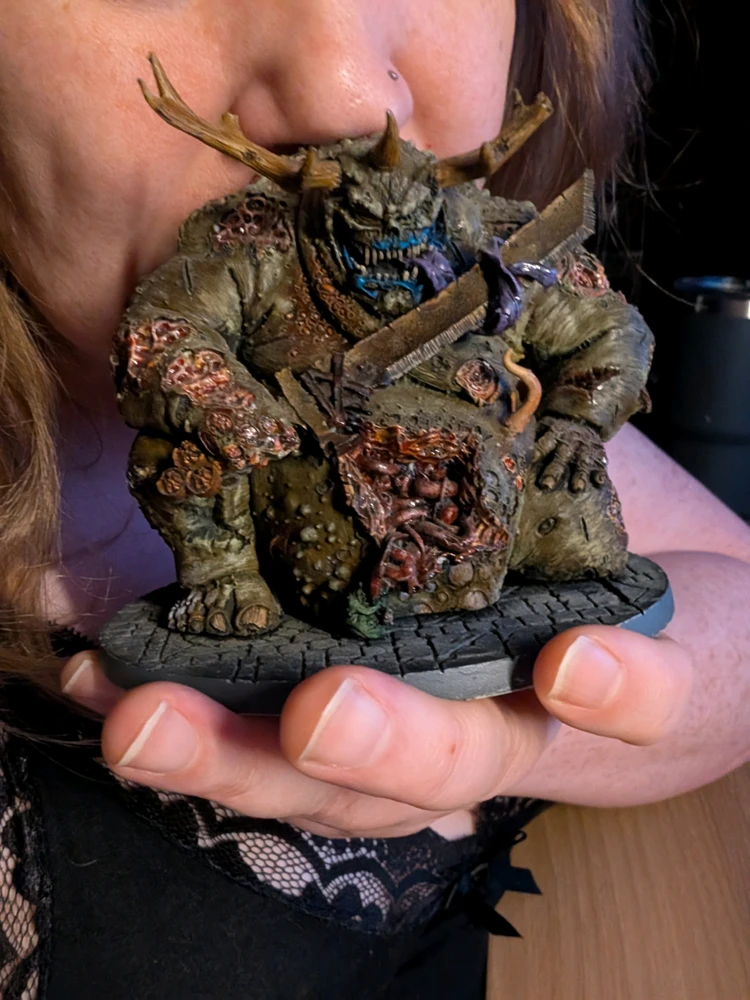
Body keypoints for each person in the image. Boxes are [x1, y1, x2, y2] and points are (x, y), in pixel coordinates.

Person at [0, 2, 747, 998]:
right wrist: (234, 411)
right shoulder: (242, 259)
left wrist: (563, 719)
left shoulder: (480, 251)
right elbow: (172, 338)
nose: (345, 94)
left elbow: (729, 588)